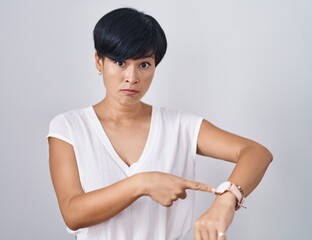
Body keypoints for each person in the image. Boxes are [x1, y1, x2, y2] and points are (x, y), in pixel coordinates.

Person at [47, 7, 272, 240]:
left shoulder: (179, 126)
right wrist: (143, 183)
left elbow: (256, 153)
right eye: (120, 62)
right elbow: (73, 213)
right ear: (98, 61)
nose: (132, 77)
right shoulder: (70, 127)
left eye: (144, 64)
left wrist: (227, 200)